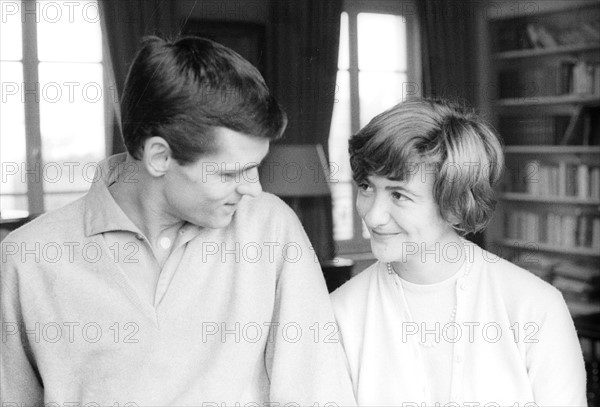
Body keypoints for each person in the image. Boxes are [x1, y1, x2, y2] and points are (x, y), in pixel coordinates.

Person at [1, 36, 355, 405]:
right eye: (231, 174)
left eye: (255, 168)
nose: (253, 188)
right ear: (159, 156)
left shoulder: (270, 229)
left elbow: (320, 391)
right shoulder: (26, 259)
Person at [330, 99, 587, 406]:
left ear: (454, 205)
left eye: (399, 195)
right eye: (366, 186)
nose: (372, 216)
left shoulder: (535, 307)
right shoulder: (339, 314)